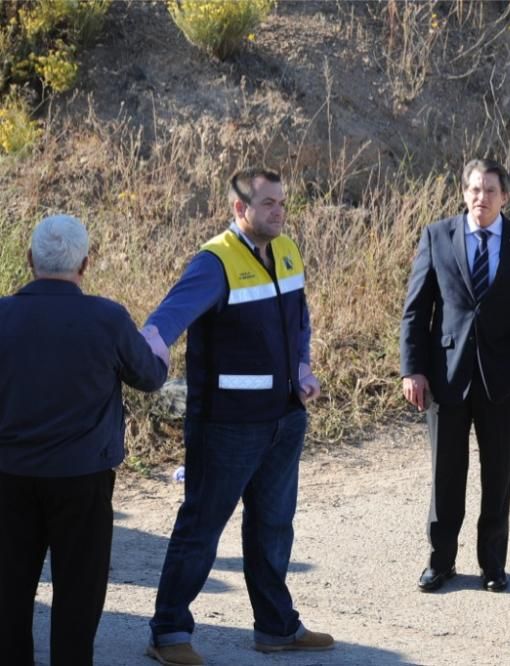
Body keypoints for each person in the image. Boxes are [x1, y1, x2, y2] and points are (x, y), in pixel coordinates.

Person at [143, 168, 332, 665]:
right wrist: (144, 355)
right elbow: (167, 320)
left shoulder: (287, 249)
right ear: (239, 209)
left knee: (273, 526)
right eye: (267, 203)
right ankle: (168, 634)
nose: (278, 211)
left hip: (285, 417)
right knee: (202, 528)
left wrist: (302, 365)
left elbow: (300, 320)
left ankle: (276, 628)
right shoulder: (215, 262)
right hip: (226, 426)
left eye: (282, 203)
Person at [0, 215, 168, 666]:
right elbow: (149, 377)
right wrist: (157, 348)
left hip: (9, 476)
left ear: (30, 259)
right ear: (86, 264)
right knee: (78, 595)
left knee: (9, 594)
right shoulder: (108, 318)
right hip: (83, 478)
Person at [400, 158, 510, 593]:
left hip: (501, 381)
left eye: (489, 190)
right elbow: (416, 310)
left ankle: (493, 564)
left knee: (497, 473)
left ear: (505, 196)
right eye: (472, 189)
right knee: (445, 474)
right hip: (445, 377)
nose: (479, 198)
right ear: (463, 192)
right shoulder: (437, 236)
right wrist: (412, 369)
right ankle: (440, 562)